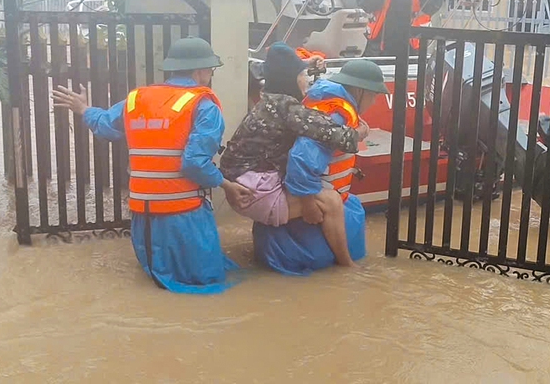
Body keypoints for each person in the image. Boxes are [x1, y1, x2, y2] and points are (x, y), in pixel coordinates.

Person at [52, 38, 252, 294]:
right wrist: (227, 185)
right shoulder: (204, 106)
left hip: (143, 216)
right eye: (211, 69)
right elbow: (194, 163)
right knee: (206, 281)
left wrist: (84, 108)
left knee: (157, 279)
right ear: (200, 70)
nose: (211, 75)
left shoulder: (136, 100)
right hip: (185, 214)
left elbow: (106, 126)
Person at [220, 42, 368, 267]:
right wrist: (359, 133)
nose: (305, 80)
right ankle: (347, 266)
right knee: (332, 202)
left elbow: (280, 61)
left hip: (240, 184)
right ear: (290, 79)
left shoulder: (267, 102)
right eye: (301, 74)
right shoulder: (288, 109)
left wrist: (307, 63)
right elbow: (334, 134)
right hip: (254, 191)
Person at [252, 59, 388, 275]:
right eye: (374, 95)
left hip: (294, 192)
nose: (374, 102)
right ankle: (347, 266)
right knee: (335, 209)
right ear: (361, 91)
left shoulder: (322, 101)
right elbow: (302, 158)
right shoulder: (337, 114)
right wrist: (308, 204)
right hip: (314, 199)